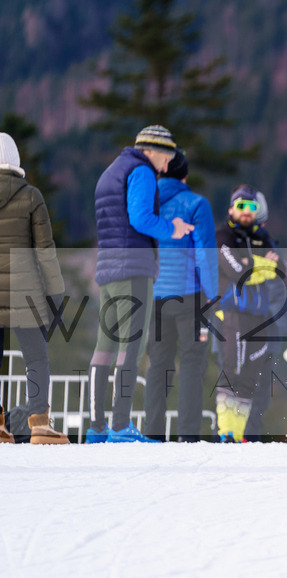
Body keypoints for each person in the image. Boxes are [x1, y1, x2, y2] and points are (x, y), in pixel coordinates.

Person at [87, 125, 195, 443]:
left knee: (103, 350)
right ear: (153, 150)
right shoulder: (142, 171)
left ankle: (96, 428)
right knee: (130, 349)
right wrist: (172, 227)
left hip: (107, 271)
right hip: (134, 270)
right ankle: (120, 426)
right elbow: (140, 218)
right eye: (167, 157)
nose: (166, 166)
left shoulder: (110, 172)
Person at [143, 149, 218, 441]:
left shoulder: (148, 204)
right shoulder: (197, 204)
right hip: (191, 298)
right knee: (191, 364)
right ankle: (188, 436)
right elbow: (205, 254)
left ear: (161, 171)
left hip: (156, 295)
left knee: (158, 365)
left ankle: (153, 435)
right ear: (184, 174)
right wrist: (212, 296)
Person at [0, 131, 69, 444]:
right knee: (36, 359)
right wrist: (56, 295)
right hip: (24, 290)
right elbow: (46, 251)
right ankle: (40, 423)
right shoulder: (31, 196)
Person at [213, 184, 287, 442]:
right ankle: (226, 432)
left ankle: (238, 433)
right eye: (242, 206)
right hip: (233, 313)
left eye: (252, 207)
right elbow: (238, 272)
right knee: (232, 371)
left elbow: (282, 268)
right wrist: (262, 264)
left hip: (260, 316)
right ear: (231, 209)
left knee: (249, 377)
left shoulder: (260, 236)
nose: (247, 212)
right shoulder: (223, 236)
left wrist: (255, 264)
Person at [243, 190, 287, 441]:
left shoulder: (228, 243)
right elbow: (275, 297)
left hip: (229, 332)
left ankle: (230, 440)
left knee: (231, 394)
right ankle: (244, 443)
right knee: (256, 396)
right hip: (261, 333)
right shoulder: (265, 246)